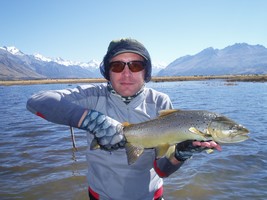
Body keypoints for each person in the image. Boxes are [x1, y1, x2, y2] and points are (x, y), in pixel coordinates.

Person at [27, 38, 221, 200]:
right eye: (117, 65)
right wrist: (90, 119)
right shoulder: (91, 97)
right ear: (107, 72)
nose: (126, 73)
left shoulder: (160, 102)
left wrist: (180, 155)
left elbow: (162, 171)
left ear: (146, 72)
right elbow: (37, 101)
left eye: (136, 65)